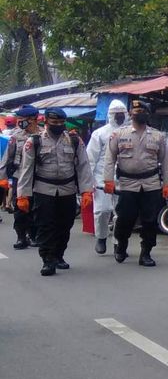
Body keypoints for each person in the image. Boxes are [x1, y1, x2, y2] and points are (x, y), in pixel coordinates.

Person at [16, 109, 94, 276]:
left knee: (65, 225)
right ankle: (48, 260)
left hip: (67, 189)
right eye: (54, 123)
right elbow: (26, 169)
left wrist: (87, 191)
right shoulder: (35, 141)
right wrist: (22, 195)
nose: (58, 126)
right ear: (46, 121)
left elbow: (83, 166)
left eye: (61, 123)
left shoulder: (74, 140)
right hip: (44, 189)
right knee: (45, 226)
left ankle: (59, 255)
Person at [103, 100, 168, 267]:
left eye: (142, 111)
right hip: (127, 183)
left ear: (147, 114)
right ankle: (121, 244)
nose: (138, 113)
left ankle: (146, 252)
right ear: (130, 113)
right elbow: (109, 159)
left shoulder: (157, 136)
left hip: (151, 183)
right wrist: (108, 181)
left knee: (149, 220)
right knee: (125, 217)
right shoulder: (119, 134)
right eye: (135, 111)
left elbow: (165, 161)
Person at [87, 99, 129, 254]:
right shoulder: (100, 134)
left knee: (122, 214)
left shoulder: (132, 132)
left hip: (124, 180)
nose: (119, 117)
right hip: (101, 180)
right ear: (110, 115)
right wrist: (89, 181)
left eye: (121, 114)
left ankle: (119, 242)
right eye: (116, 114)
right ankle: (101, 237)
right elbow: (90, 158)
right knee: (102, 211)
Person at [4, 105, 41, 248]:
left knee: (35, 207)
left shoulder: (43, 135)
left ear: (33, 119)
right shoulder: (15, 136)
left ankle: (33, 235)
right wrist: (3, 177)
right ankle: (21, 237)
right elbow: (8, 158)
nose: (20, 121)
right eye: (19, 118)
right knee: (20, 208)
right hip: (19, 176)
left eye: (23, 118)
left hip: (38, 177)